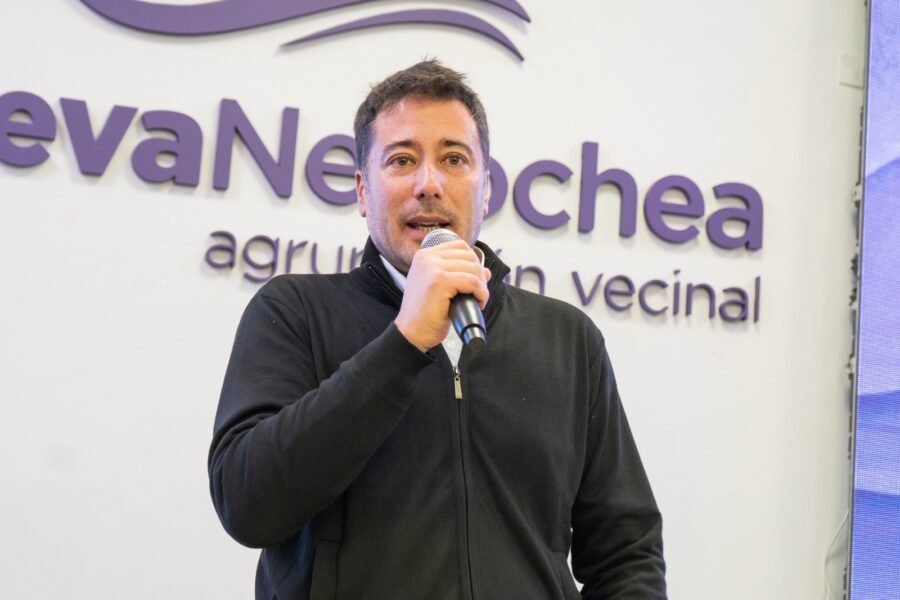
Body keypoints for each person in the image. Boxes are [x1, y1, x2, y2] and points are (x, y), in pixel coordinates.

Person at [209, 59, 666, 600]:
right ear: (362, 191)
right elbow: (248, 505)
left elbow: (626, 555)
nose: (429, 184)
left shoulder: (568, 340)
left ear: (486, 189)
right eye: (402, 160)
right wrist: (402, 344)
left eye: (454, 159)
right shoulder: (295, 312)